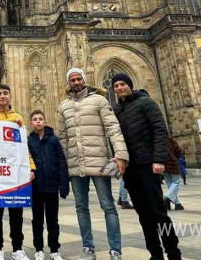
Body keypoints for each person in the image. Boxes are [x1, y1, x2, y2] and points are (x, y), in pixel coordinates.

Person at [58, 68, 128, 260]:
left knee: (108, 206)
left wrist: (121, 154)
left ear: (84, 80)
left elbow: (113, 128)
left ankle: (115, 250)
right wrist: (62, 166)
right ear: (69, 82)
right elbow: (63, 138)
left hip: (99, 163)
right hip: (75, 164)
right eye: (72, 79)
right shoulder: (63, 106)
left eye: (79, 78)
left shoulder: (99, 100)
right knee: (81, 208)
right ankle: (88, 249)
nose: (76, 82)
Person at [111, 73, 182, 260]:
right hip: (130, 168)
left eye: (122, 84)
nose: (119, 88)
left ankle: (173, 253)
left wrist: (158, 160)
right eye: (115, 86)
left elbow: (160, 130)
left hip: (148, 165)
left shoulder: (146, 103)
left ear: (130, 85)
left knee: (159, 213)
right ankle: (155, 254)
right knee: (143, 214)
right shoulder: (117, 109)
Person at [0, 84, 36, 260]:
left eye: (5, 93)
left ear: (10, 96)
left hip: (15, 172)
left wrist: (30, 167)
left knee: (16, 212)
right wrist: (11, 124)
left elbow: (23, 147)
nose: (2, 96)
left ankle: (17, 249)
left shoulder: (18, 118)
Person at [28, 110, 69, 260]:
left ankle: (54, 250)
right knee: (37, 220)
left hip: (52, 186)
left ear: (45, 122)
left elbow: (61, 162)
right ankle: (39, 249)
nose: (38, 121)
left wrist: (64, 184)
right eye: (35, 119)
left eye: (40, 119)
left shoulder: (53, 140)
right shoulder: (29, 140)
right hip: (36, 186)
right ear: (31, 123)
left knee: (53, 220)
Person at [163, 138, 185, 211]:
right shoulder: (170, 140)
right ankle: (167, 198)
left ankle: (177, 204)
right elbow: (178, 151)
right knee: (176, 182)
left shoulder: (157, 140)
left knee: (170, 184)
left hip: (164, 164)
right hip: (172, 164)